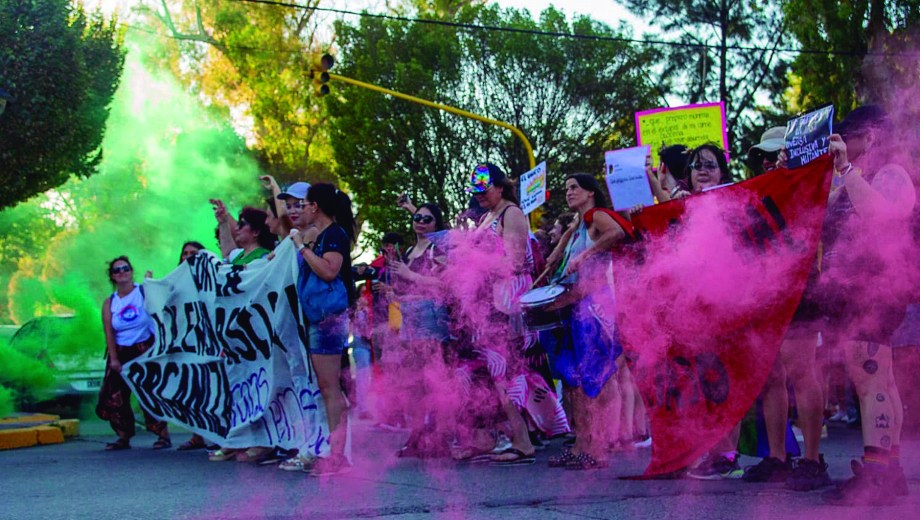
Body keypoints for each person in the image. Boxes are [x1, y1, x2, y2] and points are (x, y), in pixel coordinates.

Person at [819, 106, 916, 505]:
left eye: (850, 136)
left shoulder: (892, 174)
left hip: (876, 290)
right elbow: (822, 215)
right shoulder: (856, 175)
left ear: (870, 136)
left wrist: (847, 171)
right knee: (880, 379)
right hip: (858, 291)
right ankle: (886, 470)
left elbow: (883, 218)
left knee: (871, 377)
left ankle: (877, 475)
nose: (844, 143)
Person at [459, 163, 569, 466]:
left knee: (506, 373)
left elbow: (515, 262)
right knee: (495, 374)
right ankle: (517, 436)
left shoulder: (512, 214)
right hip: (491, 305)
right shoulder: (489, 216)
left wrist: (475, 260)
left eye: (485, 189)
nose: (480, 196)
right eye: (476, 191)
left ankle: (523, 441)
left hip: (507, 307)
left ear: (501, 186)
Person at [539, 173, 632, 469]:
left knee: (594, 379)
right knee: (572, 380)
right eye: (566, 188)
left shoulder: (597, 215)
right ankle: (581, 446)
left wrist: (586, 254)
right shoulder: (579, 223)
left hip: (592, 308)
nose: (568, 192)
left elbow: (618, 232)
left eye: (574, 187)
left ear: (591, 192)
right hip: (573, 305)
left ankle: (599, 449)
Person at [291, 182, 358, 476]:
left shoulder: (333, 236)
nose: (301, 209)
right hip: (320, 319)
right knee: (327, 387)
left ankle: (338, 455)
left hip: (328, 320)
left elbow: (329, 270)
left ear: (315, 206)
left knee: (331, 389)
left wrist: (302, 249)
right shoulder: (325, 235)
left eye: (304, 204)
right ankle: (334, 451)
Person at [387, 203, 452, 457]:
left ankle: (438, 436)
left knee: (433, 379)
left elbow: (445, 285)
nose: (421, 221)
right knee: (413, 381)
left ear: (436, 224)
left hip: (430, 317)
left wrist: (409, 275)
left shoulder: (439, 248)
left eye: (427, 219)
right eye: (417, 217)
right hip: (410, 318)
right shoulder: (411, 250)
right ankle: (417, 434)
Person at [96, 256, 171, 451]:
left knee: (150, 392)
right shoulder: (110, 302)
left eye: (125, 268)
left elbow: (161, 306)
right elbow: (109, 332)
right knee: (114, 395)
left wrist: (151, 284)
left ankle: (162, 434)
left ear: (131, 271)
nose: (122, 272)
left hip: (144, 348)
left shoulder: (143, 292)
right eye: (117, 270)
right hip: (121, 351)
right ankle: (123, 435)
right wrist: (113, 358)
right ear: (112, 276)